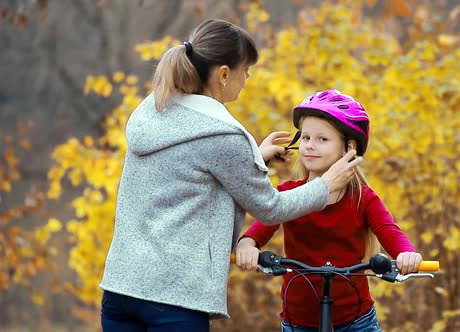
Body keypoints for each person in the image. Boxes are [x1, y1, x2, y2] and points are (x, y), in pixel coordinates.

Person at [99, 20, 362, 331]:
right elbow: (270, 207)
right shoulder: (225, 135)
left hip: (120, 289)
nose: (247, 78)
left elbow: (186, 171)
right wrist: (325, 185)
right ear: (224, 74)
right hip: (173, 299)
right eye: (246, 70)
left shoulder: (152, 110)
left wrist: (253, 159)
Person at [235, 89, 423, 332]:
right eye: (305, 138)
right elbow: (258, 230)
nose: (310, 146)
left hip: (357, 321)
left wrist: (406, 254)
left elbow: (390, 232)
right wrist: (246, 246)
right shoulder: (289, 193)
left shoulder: (362, 198)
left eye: (322, 139)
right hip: (299, 322)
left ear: (348, 147)